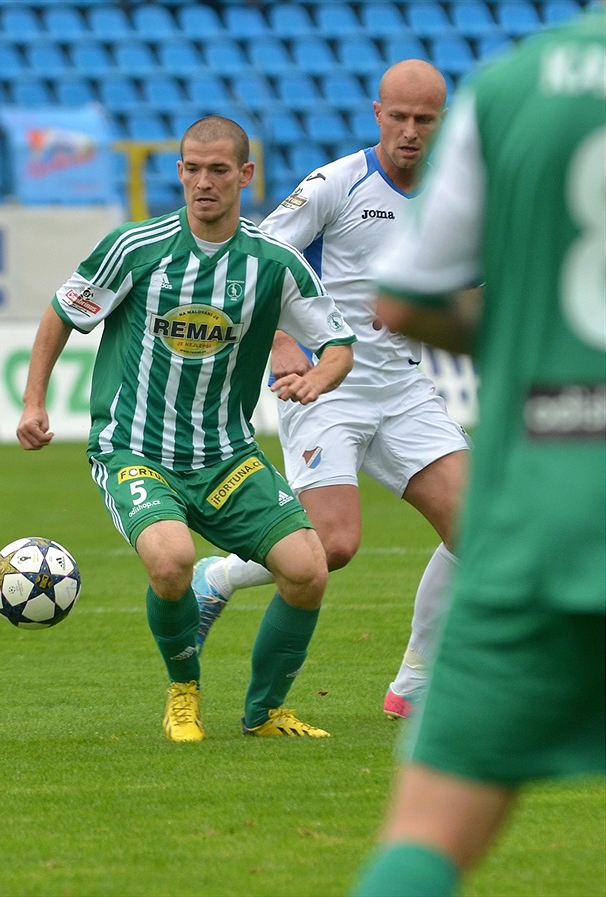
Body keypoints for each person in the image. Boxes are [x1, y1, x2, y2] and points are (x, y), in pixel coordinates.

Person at [352, 9, 605, 895]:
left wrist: (538, 343)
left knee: (425, 836)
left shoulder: (509, 87)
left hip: (538, 503)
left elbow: (408, 300)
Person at [17, 116, 355, 743]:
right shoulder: (136, 248)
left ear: (245, 177)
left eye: (219, 170)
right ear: (178, 173)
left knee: (309, 568)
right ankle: (184, 692)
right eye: (192, 169)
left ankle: (265, 712)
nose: (204, 182)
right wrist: (34, 401)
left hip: (226, 457)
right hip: (136, 449)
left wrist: (320, 379)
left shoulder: (272, 263)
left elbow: (338, 342)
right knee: (172, 561)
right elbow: (61, 314)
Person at [192, 59, 471, 720]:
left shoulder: (456, 197)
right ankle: (221, 574)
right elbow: (253, 258)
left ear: (442, 123)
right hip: (327, 388)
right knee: (334, 546)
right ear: (377, 114)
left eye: (423, 120)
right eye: (397, 117)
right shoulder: (336, 185)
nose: (409, 131)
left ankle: (414, 681)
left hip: (403, 388)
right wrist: (283, 346)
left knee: (480, 529)